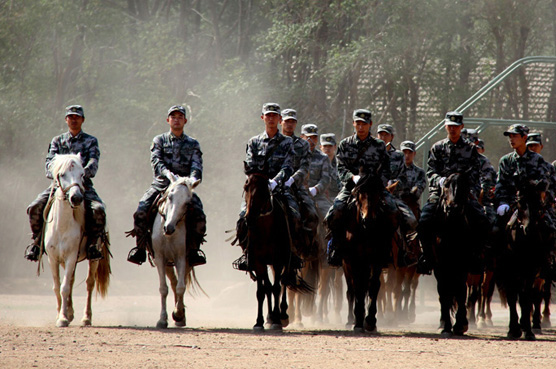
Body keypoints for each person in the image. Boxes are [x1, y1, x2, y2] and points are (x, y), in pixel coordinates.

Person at [127, 105, 207, 267]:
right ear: (168, 120)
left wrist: (191, 180)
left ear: (185, 120)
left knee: (199, 214)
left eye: (180, 116)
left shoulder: (193, 144)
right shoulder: (159, 140)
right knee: (141, 210)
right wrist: (167, 175)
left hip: (184, 188)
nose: (176, 119)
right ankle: (140, 248)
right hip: (162, 185)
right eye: (173, 116)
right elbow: (156, 161)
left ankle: (193, 250)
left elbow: (197, 166)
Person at [25, 105, 105, 262]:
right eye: (71, 117)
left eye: (77, 117)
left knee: (99, 210)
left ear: (82, 120)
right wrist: (59, 174)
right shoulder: (57, 141)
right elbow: (49, 163)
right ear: (66, 120)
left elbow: (93, 162)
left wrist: (80, 173)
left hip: (82, 185)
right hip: (59, 186)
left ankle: (93, 245)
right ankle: (37, 242)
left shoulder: (91, 141)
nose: (74, 119)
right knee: (34, 207)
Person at [417, 111, 490, 275]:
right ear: (445, 126)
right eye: (450, 126)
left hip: (463, 195)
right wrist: (441, 181)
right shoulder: (437, 147)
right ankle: (426, 257)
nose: (452, 129)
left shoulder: (470, 149)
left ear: (461, 127)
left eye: (456, 126)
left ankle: (477, 257)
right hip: (441, 193)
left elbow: (475, 174)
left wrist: (466, 189)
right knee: (423, 221)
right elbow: (430, 172)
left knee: (482, 220)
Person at [324, 109, 398, 267]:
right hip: (351, 187)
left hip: (374, 189)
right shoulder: (345, 144)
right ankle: (335, 248)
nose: (361, 126)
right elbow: (341, 168)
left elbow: (386, 169)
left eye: (364, 123)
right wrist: (352, 178)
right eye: (358, 123)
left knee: (393, 210)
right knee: (334, 212)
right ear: (353, 124)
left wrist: (378, 183)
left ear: (370, 124)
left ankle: (389, 250)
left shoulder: (379, 145)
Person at [233, 102, 298, 271]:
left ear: (279, 119)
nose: (271, 118)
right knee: (242, 218)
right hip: (257, 189)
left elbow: (288, 166)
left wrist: (275, 181)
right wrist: (261, 182)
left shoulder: (287, 142)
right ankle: (247, 254)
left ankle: (292, 253)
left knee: (295, 215)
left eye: (274, 115)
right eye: (267, 115)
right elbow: (250, 165)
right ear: (262, 118)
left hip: (280, 188)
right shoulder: (254, 142)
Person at [494, 124, 556, 236]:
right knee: (496, 230)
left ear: (524, 138)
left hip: (534, 205)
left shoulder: (537, 159)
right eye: (510, 137)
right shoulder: (506, 161)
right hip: (512, 205)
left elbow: (545, 183)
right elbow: (501, 185)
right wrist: (503, 203)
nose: (511, 139)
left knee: (550, 229)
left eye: (515, 136)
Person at [280, 110, 319, 248]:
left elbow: (304, 168)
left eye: (292, 122)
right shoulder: (273, 141)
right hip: (272, 186)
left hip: (295, 187)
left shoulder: (303, 145)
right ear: (281, 122)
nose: (289, 124)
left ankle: (306, 247)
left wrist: (291, 180)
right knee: (246, 214)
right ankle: (248, 252)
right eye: (287, 121)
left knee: (311, 214)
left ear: (296, 124)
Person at [300, 124, 332, 221]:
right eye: (308, 137)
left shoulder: (323, 157)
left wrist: (315, 190)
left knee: (331, 216)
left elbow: (326, 179)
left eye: (314, 137)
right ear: (302, 137)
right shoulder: (296, 155)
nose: (311, 140)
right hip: (298, 195)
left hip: (317, 196)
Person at [320, 133, 341, 202]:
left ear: (335, 146)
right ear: (320, 147)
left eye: (330, 146)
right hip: (320, 197)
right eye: (325, 146)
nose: (327, 148)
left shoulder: (341, 163)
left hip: (337, 196)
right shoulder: (315, 162)